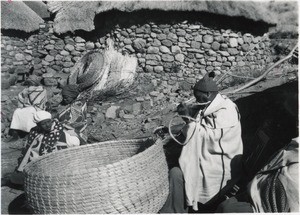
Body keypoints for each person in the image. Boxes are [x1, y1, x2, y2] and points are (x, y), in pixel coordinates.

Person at [160, 72, 243, 213]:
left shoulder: (226, 111)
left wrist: (187, 119)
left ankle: (181, 206)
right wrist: (169, 129)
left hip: (219, 164)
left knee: (179, 171)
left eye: (199, 97)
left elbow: (208, 137)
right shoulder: (209, 105)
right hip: (207, 158)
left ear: (209, 94)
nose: (197, 100)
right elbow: (198, 127)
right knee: (176, 171)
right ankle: (175, 210)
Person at [216, 137, 299, 213]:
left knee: (226, 208)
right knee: (225, 206)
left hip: (263, 204)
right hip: (255, 192)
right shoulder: (292, 147)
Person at [9, 110, 81, 186]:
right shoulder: (35, 132)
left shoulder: (60, 130)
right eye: (43, 124)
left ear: (51, 120)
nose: (47, 125)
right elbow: (28, 150)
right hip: (39, 162)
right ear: (38, 125)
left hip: (58, 162)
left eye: (48, 122)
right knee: (18, 179)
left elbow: (75, 143)